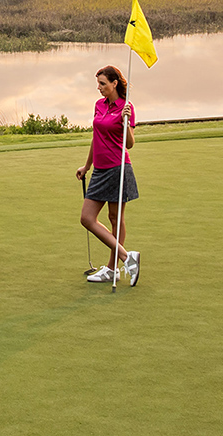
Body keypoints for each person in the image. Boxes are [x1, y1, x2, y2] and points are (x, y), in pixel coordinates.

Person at [76, 65, 141, 286]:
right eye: (98, 84)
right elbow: (96, 137)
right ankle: (126, 257)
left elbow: (130, 144)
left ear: (114, 83)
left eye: (103, 84)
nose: (99, 88)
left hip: (118, 168)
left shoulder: (126, 107)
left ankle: (113, 268)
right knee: (87, 218)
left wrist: (125, 121)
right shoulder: (99, 105)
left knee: (115, 219)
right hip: (100, 170)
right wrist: (86, 166)